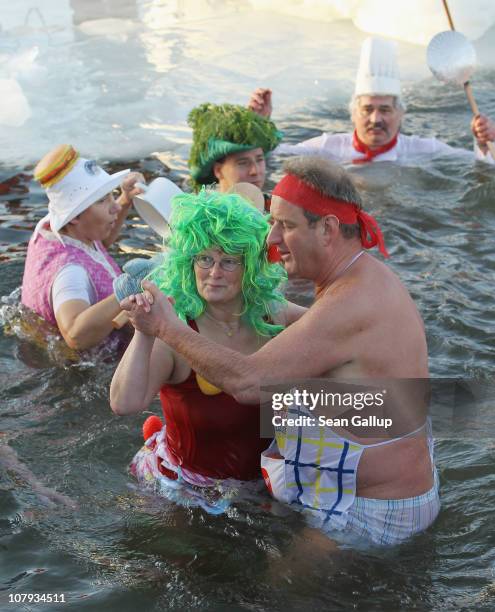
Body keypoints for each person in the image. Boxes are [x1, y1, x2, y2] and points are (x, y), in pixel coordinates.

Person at [121, 155, 440, 545]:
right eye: (204, 258)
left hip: (369, 508)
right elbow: (124, 401)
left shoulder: (325, 306)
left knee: (278, 593)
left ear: (327, 228)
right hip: (209, 489)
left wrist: (165, 329)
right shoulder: (361, 285)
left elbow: (248, 382)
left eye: (285, 225)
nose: (272, 239)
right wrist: (150, 333)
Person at [110, 190, 306, 509]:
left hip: (263, 484)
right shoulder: (174, 329)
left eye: (228, 260)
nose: (214, 272)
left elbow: (337, 334)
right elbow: (123, 403)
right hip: (187, 490)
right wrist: (143, 333)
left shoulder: (272, 312)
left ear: (251, 266)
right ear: (189, 261)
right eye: (204, 258)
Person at [249, 37, 495, 165]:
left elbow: (483, 165)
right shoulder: (328, 148)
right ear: (353, 113)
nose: (375, 119)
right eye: (367, 109)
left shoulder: (423, 150)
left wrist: (483, 143)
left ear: (401, 114)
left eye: (385, 110)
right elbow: (272, 155)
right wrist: (259, 125)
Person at [21, 144, 145, 351]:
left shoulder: (57, 228)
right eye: (103, 200)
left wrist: (126, 199)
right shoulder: (70, 273)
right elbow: (75, 335)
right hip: (91, 370)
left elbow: (98, 247)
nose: (114, 206)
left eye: (111, 194)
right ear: (75, 216)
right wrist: (130, 288)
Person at [188, 102, 281, 208]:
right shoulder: (205, 217)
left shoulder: (275, 211)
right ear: (218, 170)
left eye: (259, 160)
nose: (255, 171)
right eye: (243, 163)